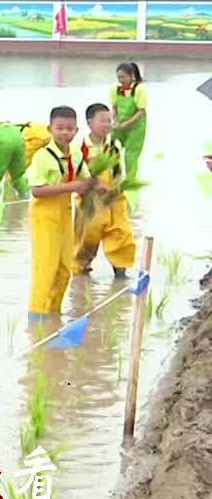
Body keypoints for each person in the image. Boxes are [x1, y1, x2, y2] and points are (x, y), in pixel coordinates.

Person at [27, 106, 96, 320]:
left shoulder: (76, 154)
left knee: (65, 269)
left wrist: (97, 186)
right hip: (45, 217)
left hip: (66, 215)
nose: (65, 133)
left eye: (69, 128)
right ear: (50, 129)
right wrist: (72, 187)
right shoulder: (43, 156)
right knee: (46, 269)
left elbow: (84, 179)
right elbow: (37, 191)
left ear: (76, 131)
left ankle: (53, 315)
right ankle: (37, 318)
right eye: (60, 128)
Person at [74, 103, 136, 279]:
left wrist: (117, 188)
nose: (107, 125)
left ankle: (121, 275)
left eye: (109, 121)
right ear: (90, 122)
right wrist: (94, 186)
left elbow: (119, 171)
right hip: (90, 200)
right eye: (102, 120)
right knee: (87, 239)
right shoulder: (80, 147)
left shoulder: (114, 144)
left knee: (121, 234)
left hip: (114, 197)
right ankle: (81, 278)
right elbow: (77, 173)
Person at [112, 62, 149, 184]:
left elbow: (141, 111)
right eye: (119, 77)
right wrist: (114, 121)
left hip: (136, 127)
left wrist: (127, 124)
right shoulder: (115, 89)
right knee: (112, 150)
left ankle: (130, 181)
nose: (120, 80)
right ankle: (114, 176)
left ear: (131, 76)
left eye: (123, 77)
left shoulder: (139, 90)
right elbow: (114, 107)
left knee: (130, 155)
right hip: (120, 125)